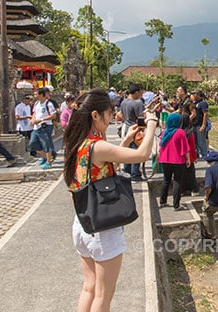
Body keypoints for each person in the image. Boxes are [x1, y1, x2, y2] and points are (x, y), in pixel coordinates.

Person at [63, 88, 158, 312]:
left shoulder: (78, 143)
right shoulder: (98, 146)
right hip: (103, 230)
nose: (112, 115)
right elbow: (142, 155)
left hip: (83, 223)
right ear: (95, 115)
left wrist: (124, 141)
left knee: (89, 288)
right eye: (109, 112)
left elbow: (103, 169)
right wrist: (152, 124)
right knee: (104, 296)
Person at [158, 113, 191, 211]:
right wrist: (188, 159)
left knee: (166, 179)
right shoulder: (180, 132)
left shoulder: (165, 132)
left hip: (165, 159)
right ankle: (176, 204)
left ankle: (163, 201)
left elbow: (161, 145)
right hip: (177, 160)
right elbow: (185, 148)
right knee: (177, 181)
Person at [120, 84, 145, 181]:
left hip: (126, 128)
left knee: (127, 151)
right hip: (135, 129)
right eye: (140, 92)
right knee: (136, 151)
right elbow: (140, 117)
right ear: (136, 92)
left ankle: (127, 171)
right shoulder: (137, 103)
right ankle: (135, 173)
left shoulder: (124, 102)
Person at [29, 88, 56, 170]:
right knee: (32, 144)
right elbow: (34, 113)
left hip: (45, 126)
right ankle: (45, 157)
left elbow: (53, 115)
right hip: (36, 127)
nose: (35, 96)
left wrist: (42, 120)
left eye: (36, 94)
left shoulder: (49, 104)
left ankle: (48, 161)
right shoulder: (36, 103)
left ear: (41, 95)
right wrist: (32, 119)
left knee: (46, 144)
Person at [180, 112, 200, 196]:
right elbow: (192, 146)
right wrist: (195, 157)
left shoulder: (179, 132)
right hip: (190, 156)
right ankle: (194, 190)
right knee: (191, 174)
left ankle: (183, 190)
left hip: (181, 157)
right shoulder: (190, 132)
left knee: (182, 175)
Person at [193, 90, 209, 157]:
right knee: (195, 141)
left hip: (200, 124)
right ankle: (197, 154)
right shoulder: (195, 103)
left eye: (195, 94)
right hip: (194, 124)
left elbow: (205, 114)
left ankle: (204, 154)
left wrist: (203, 125)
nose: (194, 95)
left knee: (201, 141)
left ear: (199, 95)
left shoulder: (203, 103)